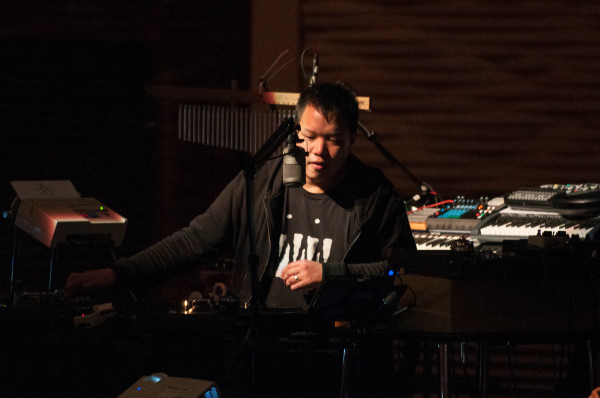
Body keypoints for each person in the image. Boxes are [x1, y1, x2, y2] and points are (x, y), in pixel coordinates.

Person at [65, 81, 416, 396]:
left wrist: (331, 274)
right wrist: (117, 274)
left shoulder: (375, 194)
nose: (318, 151)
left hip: (333, 357)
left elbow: (400, 270)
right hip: (259, 352)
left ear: (354, 138)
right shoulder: (263, 180)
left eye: (333, 140)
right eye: (309, 137)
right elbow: (194, 240)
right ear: (296, 132)